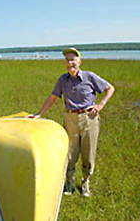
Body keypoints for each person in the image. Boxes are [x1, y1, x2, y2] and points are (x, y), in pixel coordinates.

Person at [28, 48, 114, 197]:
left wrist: (100, 105)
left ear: (79, 61)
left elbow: (109, 88)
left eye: (73, 59)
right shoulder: (62, 80)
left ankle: (85, 182)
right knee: (69, 153)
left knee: (88, 153)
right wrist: (39, 114)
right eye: (67, 60)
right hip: (70, 119)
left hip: (89, 119)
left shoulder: (89, 77)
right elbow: (53, 97)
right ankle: (70, 183)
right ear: (64, 63)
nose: (70, 63)